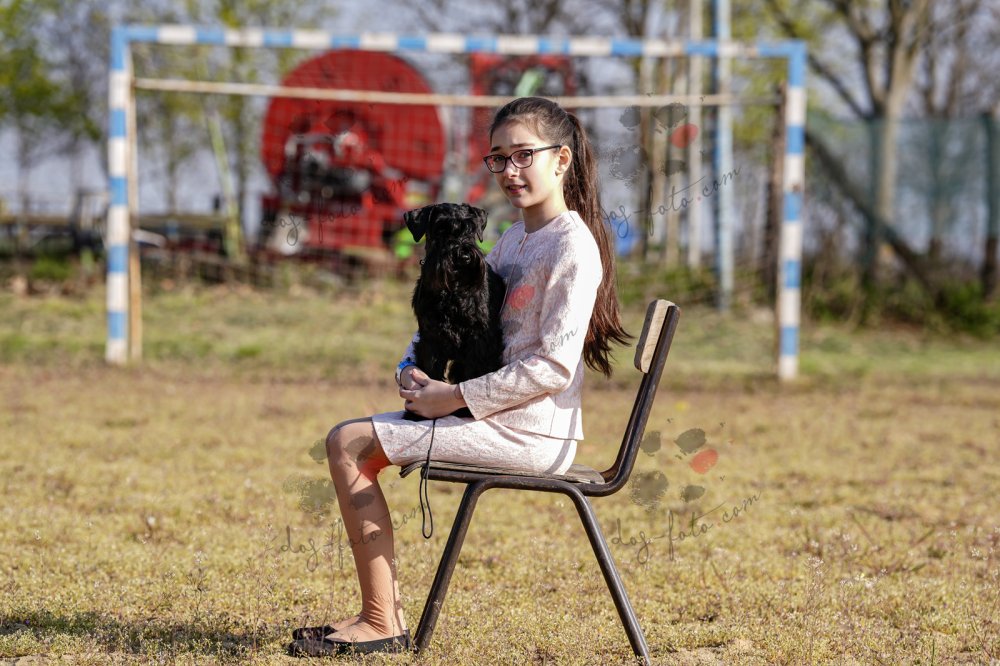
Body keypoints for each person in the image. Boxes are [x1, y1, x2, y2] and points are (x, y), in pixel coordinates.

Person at [286, 96, 629, 658]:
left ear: (562, 159)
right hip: (492, 414)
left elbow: (554, 367)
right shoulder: (513, 239)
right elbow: (444, 316)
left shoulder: (572, 247)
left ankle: (381, 621)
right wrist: (410, 368)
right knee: (348, 440)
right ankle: (380, 614)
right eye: (498, 158)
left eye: (523, 155)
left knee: (349, 444)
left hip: (532, 432)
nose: (509, 170)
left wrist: (454, 396)